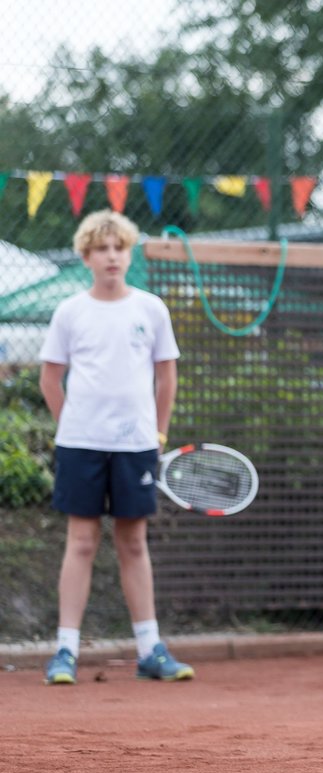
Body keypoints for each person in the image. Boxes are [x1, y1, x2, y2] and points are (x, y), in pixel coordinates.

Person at [38, 209, 193, 686]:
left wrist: (159, 434)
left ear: (129, 254)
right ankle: (65, 650)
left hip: (137, 447)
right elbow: (50, 377)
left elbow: (166, 376)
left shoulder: (151, 309)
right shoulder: (70, 311)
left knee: (133, 542)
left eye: (119, 248)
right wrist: (72, 429)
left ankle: (150, 649)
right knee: (81, 542)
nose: (111, 256)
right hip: (80, 446)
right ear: (86, 256)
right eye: (101, 249)